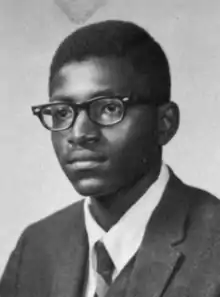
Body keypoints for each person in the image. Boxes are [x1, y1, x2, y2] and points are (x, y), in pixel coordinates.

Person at [1, 20, 220, 297]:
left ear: (165, 123)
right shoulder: (35, 248)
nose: (79, 134)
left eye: (108, 108)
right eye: (62, 112)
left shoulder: (214, 244)